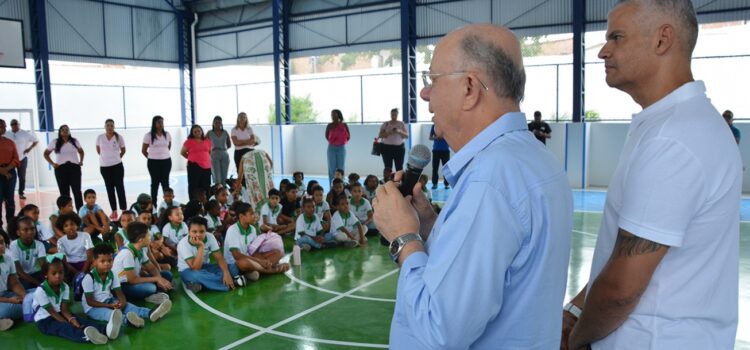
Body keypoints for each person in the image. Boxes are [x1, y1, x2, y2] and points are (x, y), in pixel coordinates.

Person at [371, 24, 572, 349]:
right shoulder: (531, 157)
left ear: (469, 88)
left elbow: (440, 330)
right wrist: (430, 227)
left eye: (432, 80)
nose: (424, 93)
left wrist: (403, 238)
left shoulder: (490, 179)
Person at [564, 2, 742, 350]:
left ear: (663, 40)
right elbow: (620, 255)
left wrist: (576, 339)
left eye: (617, 37)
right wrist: (574, 311)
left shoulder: (673, 138)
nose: (603, 51)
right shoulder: (670, 125)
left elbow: (621, 289)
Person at [82, 244, 171, 334]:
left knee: (130, 307)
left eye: (110, 260)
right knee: (111, 314)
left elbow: (119, 292)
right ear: (94, 261)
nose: (107, 264)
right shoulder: (89, 278)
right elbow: (90, 302)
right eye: (103, 261)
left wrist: (122, 303)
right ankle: (129, 321)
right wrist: (110, 306)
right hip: (93, 308)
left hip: (109, 300)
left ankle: (150, 313)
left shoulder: (112, 274)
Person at [32, 255, 112, 344]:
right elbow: (52, 312)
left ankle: (106, 330)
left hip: (60, 313)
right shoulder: (41, 291)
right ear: (46, 275)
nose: (58, 276)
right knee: (66, 328)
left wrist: (71, 319)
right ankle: (88, 337)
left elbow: (64, 309)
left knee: (80, 320)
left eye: (61, 272)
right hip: (45, 320)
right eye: (54, 273)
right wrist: (68, 323)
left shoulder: (65, 286)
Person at [178, 216, 244, 293]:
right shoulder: (183, 244)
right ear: (189, 232)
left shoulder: (210, 237)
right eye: (194, 232)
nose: (198, 235)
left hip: (205, 266)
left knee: (232, 267)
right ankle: (231, 282)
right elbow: (195, 268)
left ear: (206, 231)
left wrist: (226, 273)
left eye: (202, 231)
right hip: (188, 270)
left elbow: (219, 258)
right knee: (198, 275)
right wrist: (201, 246)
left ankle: (199, 284)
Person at [112, 222, 172, 304]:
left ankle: (153, 292)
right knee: (150, 288)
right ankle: (149, 295)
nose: (150, 237)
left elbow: (151, 268)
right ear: (141, 239)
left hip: (135, 280)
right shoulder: (127, 253)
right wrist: (157, 279)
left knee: (167, 275)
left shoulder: (140, 248)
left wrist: (159, 279)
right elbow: (132, 280)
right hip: (122, 286)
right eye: (148, 235)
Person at [43, 125, 84, 211]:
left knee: (77, 191)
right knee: (64, 193)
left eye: (66, 130)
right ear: (60, 132)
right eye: (63, 130)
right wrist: (52, 163)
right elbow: (46, 154)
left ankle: (80, 212)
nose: (65, 131)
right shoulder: (55, 142)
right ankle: (67, 212)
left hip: (74, 168)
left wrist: (81, 161)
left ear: (69, 131)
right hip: (61, 169)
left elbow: (81, 151)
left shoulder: (74, 141)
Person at [96, 119, 127, 220]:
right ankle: (114, 211)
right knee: (110, 189)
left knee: (120, 188)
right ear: (104, 126)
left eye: (111, 125)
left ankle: (124, 210)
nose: (109, 127)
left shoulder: (119, 137)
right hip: (105, 167)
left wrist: (116, 158)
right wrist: (106, 159)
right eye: (108, 125)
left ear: (114, 127)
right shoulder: (100, 137)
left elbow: (123, 150)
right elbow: (98, 150)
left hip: (117, 166)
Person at [142, 116, 172, 206]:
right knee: (155, 183)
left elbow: (168, 147)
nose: (161, 124)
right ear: (154, 123)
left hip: (166, 162)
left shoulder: (167, 134)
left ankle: (168, 204)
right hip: (153, 163)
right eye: (159, 122)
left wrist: (163, 155)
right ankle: (153, 204)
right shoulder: (148, 135)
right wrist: (152, 158)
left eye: (162, 122)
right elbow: (143, 150)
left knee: (165, 183)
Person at [9, 217, 46, 289]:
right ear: (18, 232)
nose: (30, 232)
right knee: (26, 286)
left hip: (36, 274)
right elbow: (19, 272)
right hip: (21, 276)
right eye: (25, 230)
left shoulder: (39, 245)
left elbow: (44, 267)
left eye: (32, 229)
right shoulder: (13, 246)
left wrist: (47, 280)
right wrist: (39, 284)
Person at [6, 119, 37, 201]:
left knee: (22, 177)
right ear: (10, 125)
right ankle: (8, 194)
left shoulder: (25, 133)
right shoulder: (7, 134)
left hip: (22, 159)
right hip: (10, 159)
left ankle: (21, 193)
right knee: (9, 177)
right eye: (12, 124)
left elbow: (36, 141)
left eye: (16, 124)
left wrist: (29, 149)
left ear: (18, 124)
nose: (14, 125)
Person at [0, 234, 26, 331]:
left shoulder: (8, 259)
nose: (0, 246)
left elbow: (14, 283)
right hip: (5, 300)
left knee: (36, 294)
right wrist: (10, 301)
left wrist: (25, 296)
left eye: (1, 242)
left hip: (5, 294)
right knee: (9, 309)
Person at [181, 125, 213, 202]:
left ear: (202, 131)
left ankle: (206, 203)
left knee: (206, 186)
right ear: (192, 133)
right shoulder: (189, 142)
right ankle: (193, 203)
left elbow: (209, 152)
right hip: (194, 166)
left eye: (199, 131)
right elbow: (183, 152)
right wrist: (192, 159)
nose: (197, 133)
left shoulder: (207, 141)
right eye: (195, 132)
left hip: (207, 166)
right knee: (193, 186)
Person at [0, 120, 19, 230]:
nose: (3, 128)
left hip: (10, 172)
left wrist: (7, 169)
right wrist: (1, 171)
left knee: (10, 200)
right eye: (1, 126)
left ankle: (11, 225)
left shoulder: (10, 142)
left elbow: (16, 159)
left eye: (4, 126)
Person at [379, 108, 409, 172]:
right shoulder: (386, 124)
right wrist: (389, 132)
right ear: (390, 114)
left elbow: (406, 136)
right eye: (392, 114)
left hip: (399, 148)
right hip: (386, 148)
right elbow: (380, 135)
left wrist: (399, 131)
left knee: (399, 166)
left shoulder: (401, 124)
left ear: (397, 115)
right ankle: (388, 180)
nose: (393, 116)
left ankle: (399, 181)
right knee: (387, 166)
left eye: (395, 115)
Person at [325, 109, 349, 184]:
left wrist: (341, 142)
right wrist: (333, 142)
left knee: (341, 168)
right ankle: (332, 186)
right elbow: (326, 136)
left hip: (341, 147)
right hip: (331, 148)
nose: (332, 116)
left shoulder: (344, 125)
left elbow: (348, 136)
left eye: (334, 114)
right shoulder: (329, 125)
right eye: (331, 115)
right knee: (331, 168)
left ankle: (341, 185)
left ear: (338, 115)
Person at [208, 116, 232, 186]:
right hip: (214, 154)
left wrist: (223, 149)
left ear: (221, 123)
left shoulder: (225, 132)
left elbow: (229, 144)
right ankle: (217, 192)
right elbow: (204, 144)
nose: (218, 124)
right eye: (216, 122)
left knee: (224, 176)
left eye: (219, 122)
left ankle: (224, 192)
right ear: (213, 123)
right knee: (217, 176)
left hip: (224, 153)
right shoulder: (209, 133)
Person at [428, 124, 450, 189]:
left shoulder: (447, 126)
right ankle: (434, 184)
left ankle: (446, 184)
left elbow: (451, 137)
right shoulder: (434, 126)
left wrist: (443, 137)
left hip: (445, 150)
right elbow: (430, 137)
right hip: (436, 150)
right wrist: (436, 138)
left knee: (446, 168)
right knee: (435, 168)